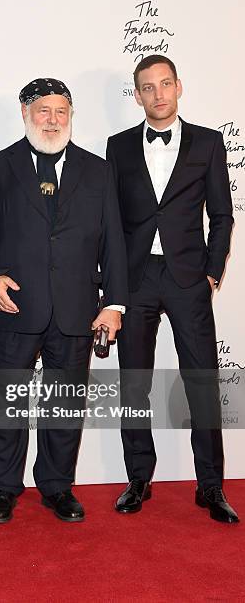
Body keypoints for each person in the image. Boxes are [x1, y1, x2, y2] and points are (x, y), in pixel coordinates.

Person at [0, 78, 128, 524]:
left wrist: (114, 303)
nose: (52, 120)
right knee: (7, 404)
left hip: (76, 308)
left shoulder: (98, 170)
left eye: (61, 111)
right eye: (43, 110)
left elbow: (114, 243)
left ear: (70, 116)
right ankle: (4, 489)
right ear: (25, 113)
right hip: (14, 306)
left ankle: (57, 487)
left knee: (64, 404)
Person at [106, 55, 239, 523]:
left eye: (165, 84)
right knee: (133, 383)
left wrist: (211, 271)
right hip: (136, 280)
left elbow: (222, 215)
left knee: (201, 382)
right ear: (137, 94)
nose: (158, 94)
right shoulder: (118, 147)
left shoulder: (208, 142)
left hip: (188, 279)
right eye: (147, 87)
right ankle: (138, 477)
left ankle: (211, 486)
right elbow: (111, 221)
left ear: (179, 87)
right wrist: (112, 285)